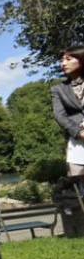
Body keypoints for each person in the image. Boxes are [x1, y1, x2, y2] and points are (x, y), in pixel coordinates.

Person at [52, 46, 84, 187]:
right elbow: (59, 115)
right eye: (61, 60)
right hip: (78, 140)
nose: (63, 63)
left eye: (68, 59)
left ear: (81, 61)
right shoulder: (58, 89)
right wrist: (79, 132)